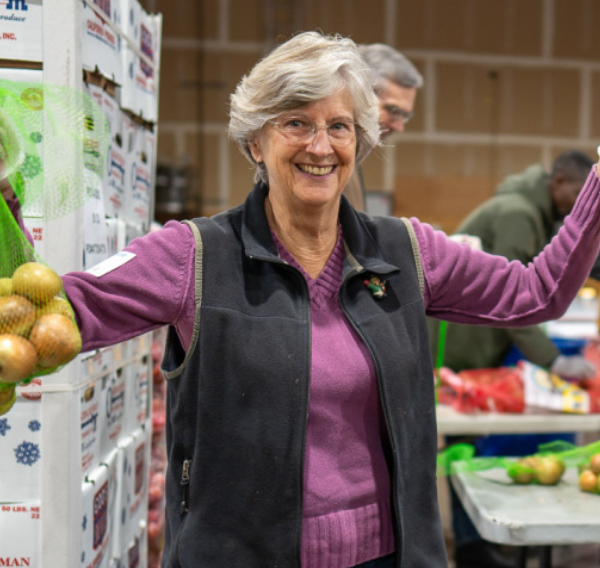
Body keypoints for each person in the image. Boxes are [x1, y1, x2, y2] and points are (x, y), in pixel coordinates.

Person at [3, 31, 600, 568]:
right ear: (256, 142)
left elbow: (536, 293)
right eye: (295, 122)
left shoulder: (408, 252)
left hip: (388, 557)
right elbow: (63, 313)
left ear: (359, 142)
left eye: (339, 126)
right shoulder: (196, 256)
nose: (321, 145)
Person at [428, 151, 598, 568]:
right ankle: (471, 548)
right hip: (461, 350)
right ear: (556, 182)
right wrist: (555, 360)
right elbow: (518, 301)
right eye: (578, 194)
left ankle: (474, 546)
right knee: (461, 448)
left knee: (464, 449)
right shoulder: (518, 214)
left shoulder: (532, 213)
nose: (580, 205)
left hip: (472, 346)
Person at [343, 43, 423, 210]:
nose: (399, 127)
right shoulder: (326, 156)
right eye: (393, 110)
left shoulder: (352, 156)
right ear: (359, 94)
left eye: (405, 116)